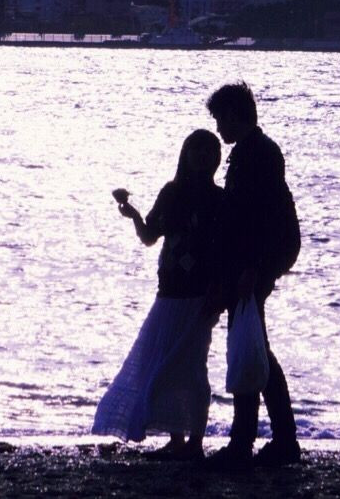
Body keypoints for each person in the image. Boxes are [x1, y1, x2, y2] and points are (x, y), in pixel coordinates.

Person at [92, 129, 225, 460]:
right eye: (196, 150)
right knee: (160, 362)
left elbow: (225, 248)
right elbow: (150, 236)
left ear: (216, 158)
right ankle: (178, 439)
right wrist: (133, 214)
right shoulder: (172, 193)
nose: (202, 157)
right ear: (185, 154)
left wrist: (219, 291)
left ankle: (195, 442)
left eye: (209, 151)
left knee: (192, 368)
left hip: (201, 295)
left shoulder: (219, 199)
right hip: (169, 292)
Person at [203, 82, 302, 469]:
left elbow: (261, 218)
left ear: (234, 115)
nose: (218, 127)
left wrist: (253, 268)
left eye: (220, 118)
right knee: (251, 345)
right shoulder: (252, 151)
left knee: (251, 347)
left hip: (255, 260)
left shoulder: (257, 153)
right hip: (256, 259)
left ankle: (255, 440)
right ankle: (270, 438)